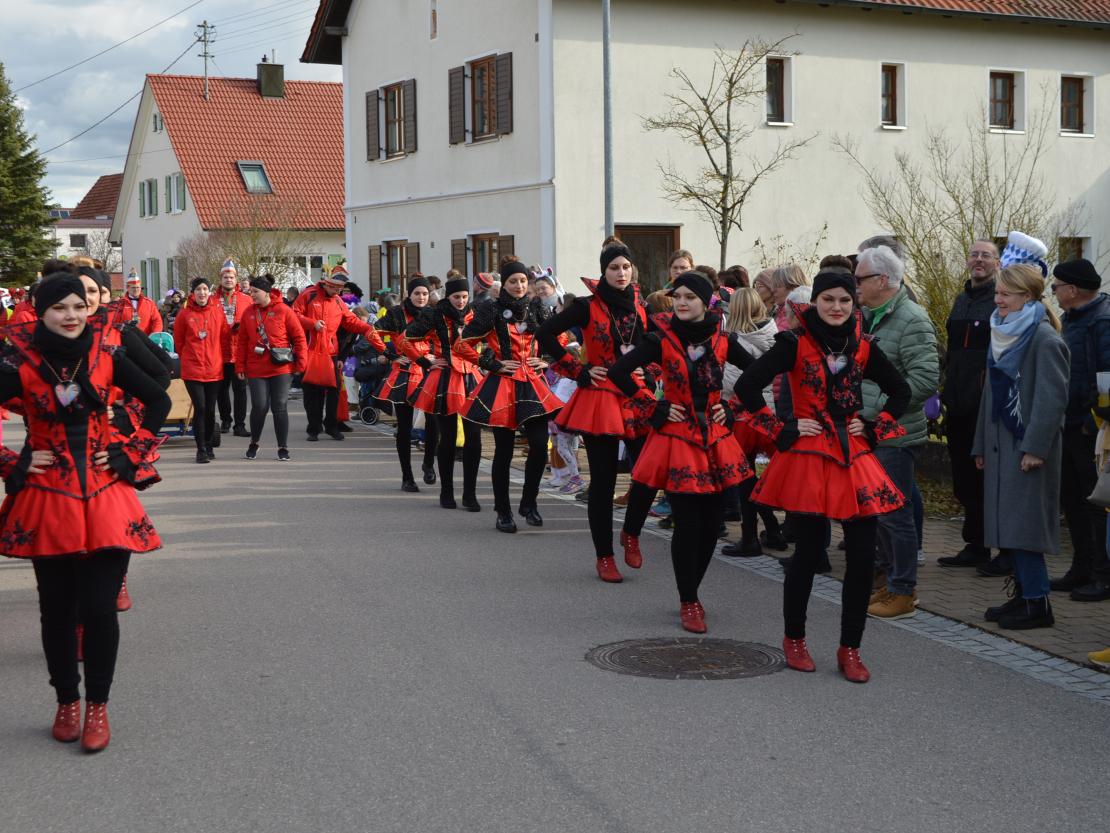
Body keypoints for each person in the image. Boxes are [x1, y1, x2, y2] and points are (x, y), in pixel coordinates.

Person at [0, 273, 170, 752]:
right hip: (46, 499)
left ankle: (98, 705)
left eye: (80, 306)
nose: (72, 315)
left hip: (107, 496)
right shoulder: (20, 359)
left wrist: (130, 453)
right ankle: (65, 701)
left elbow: (158, 396)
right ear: (42, 311)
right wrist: (13, 461)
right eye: (61, 308)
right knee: (56, 611)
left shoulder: (106, 351)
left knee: (98, 609)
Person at [736, 270, 911, 683]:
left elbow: (900, 390)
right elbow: (747, 386)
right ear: (814, 302)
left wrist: (873, 425)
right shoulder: (793, 343)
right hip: (810, 456)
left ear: (855, 304)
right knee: (810, 553)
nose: (836, 308)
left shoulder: (864, 348)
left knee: (863, 556)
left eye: (845, 301)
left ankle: (851, 648)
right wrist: (783, 429)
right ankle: (794, 638)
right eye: (828, 299)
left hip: (854, 457)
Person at [609, 271, 752, 631]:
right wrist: (651, 406)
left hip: (717, 438)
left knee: (710, 525)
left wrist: (733, 409)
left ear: (707, 302)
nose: (683, 302)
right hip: (676, 436)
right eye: (678, 297)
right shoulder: (660, 338)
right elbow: (619, 372)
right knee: (688, 523)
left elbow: (757, 376)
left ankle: (694, 589)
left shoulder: (724, 339)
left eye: (690, 296)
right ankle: (688, 599)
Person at [537, 241, 652, 581]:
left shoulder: (639, 307)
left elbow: (652, 347)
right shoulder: (587, 306)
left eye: (626, 267)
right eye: (614, 267)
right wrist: (578, 370)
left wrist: (651, 372)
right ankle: (604, 555)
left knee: (646, 473)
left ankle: (631, 532)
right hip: (600, 395)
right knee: (603, 481)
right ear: (604, 271)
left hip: (634, 393)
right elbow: (546, 335)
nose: (621, 273)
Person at [973, 264, 1068, 629]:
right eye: (997, 293)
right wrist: (980, 443)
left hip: (1026, 449)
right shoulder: (1003, 333)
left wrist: (1036, 448)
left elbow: (1050, 401)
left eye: (1005, 295)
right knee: (1009, 526)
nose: (997, 301)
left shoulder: (1044, 339)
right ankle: (1024, 595)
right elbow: (990, 396)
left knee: (1025, 529)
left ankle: (1037, 603)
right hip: (1001, 446)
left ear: (1026, 297)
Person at [854, 244, 939, 620]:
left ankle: (903, 591)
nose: (855, 285)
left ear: (882, 280)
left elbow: (924, 378)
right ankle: (888, 582)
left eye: (860, 279)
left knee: (895, 513)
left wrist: (879, 413)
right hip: (870, 431)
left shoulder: (911, 318)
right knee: (878, 512)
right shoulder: (871, 317)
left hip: (895, 432)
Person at [457, 257, 562, 533]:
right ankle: (503, 511)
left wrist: (547, 359)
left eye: (523, 281)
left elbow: (558, 338)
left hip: (533, 383)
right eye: (513, 281)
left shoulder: (537, 307)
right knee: (503, 451)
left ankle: (529, 502)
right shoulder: (490, 310)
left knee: (540, 445)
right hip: (502, 384)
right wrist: (492, 362)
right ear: (504, 284)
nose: (518, 286)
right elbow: (463, 344)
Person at [937, 239, 1003, 570]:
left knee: (991, 479)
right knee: (964, 478)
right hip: (958, 403)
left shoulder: (1001, 301)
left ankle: (1004, 550)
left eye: (986, 256)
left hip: (987, 404)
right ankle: (975, 545)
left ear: (997, 263)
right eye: (974, 255)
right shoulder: (961, 300)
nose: (979, 260)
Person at [402, 275, 484, 510]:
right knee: (447, 438)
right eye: (456, 297)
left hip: (471, 377)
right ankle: (446, 491)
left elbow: (494, 339)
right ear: (448, 296)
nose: (460, 301)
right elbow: (405, 341)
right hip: (444, 379)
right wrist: (425, 362)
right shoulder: (434, 314)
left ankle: (470, 494)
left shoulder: (476, 314)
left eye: (464, 297)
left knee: (474, 439)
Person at [720, 287, 783, 557]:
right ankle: (774, 530)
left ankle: (750, 537)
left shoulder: (737, 340)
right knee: (766, 477)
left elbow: (731, 383)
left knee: (746, 479)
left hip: (745, 415)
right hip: (770, 414)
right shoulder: (773, 334)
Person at [293, 264, 380, 441]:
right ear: (325, 283)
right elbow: (293, 315)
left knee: (334, 390)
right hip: (310, 351)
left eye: (340, 288)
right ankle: (314, 428)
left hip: (331, 352)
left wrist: (369, 329)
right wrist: (312, 323)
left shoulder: (339, 302)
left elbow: (351, 322)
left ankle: (331, 425)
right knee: (312, 392)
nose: (338, 291)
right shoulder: (308, 295)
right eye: (334, 287)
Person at [374, 277, 439, 491]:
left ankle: (428, 463)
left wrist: (433, 356)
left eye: (425, 294)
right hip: (404, 372)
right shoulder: (396, 314)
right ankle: (407, 477)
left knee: (433, 422)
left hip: (429, 371)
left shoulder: (434, 314)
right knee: (404, 427)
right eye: (417, 293)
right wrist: (390, 355)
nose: (421, 297)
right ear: (409, 295)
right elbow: (373, 333)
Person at [236, 276, 308, 460]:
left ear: (266, 292)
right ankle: (254, 442)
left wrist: (301, 363)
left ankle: (283, 447)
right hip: (256, 367)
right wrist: (240, 366)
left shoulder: (284, 310)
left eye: (255, 292)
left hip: (281, 367)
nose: (251, 295)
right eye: (250, 291)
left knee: (280, 407)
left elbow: (299, 337)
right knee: (259, 406)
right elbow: (242, 341)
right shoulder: (248, 313)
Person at [174, 277, 229, 464]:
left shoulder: (217, 311)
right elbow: (179, 341)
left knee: (210, 410)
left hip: (214, 369)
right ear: (193, 292)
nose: (202, 293)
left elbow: (224, 338)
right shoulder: (184, 314)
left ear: (209, 291)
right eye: (198, 289)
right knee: (201, 407)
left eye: (205, 289)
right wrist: (190, 358)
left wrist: (219, 358)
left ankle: (209, 445)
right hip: (193, 370)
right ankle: (201, 449)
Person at [214, 259, 252, 438]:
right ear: (220, 279)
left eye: (231, 277)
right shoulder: (213, 300)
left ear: (236, 279)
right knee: (221, 389)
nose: (228, 280)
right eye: (225, 277)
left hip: (239, 353)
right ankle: (225, 420)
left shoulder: (246, 300)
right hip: (219, 352)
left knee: (241, 389)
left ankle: (240, 424)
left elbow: (252, 323)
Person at [122, 271, 163, 335]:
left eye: (138, 287)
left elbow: (157, 321)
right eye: (133, 287)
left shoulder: (149, 303)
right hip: (126, 339)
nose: (136, 290)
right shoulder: (120, 304)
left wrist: (154, 335)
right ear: (127, 288)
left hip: (146, 339)